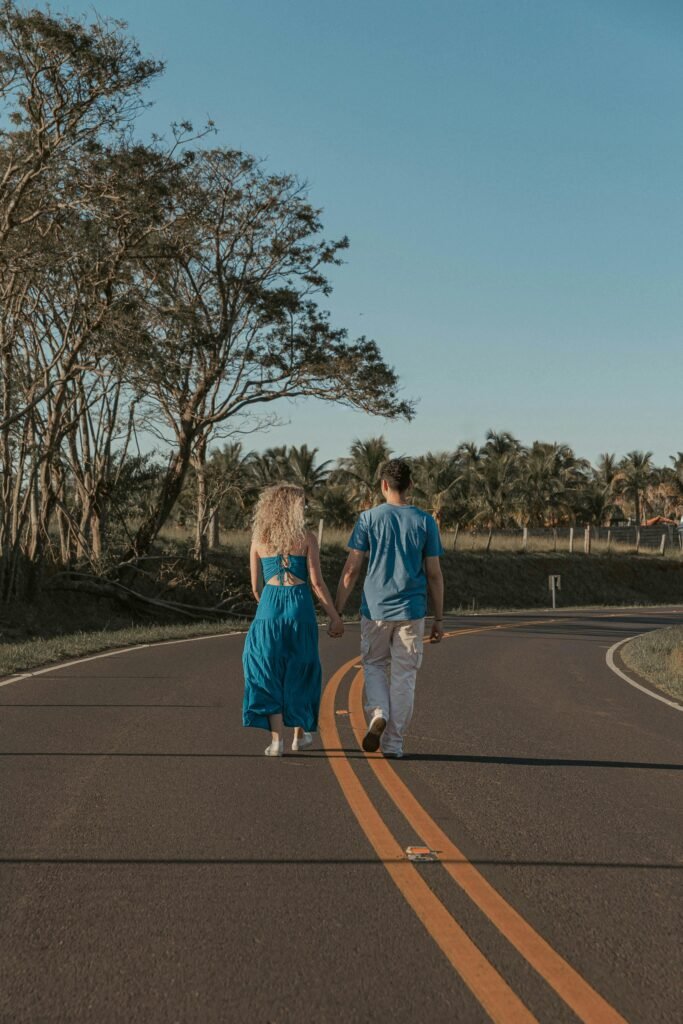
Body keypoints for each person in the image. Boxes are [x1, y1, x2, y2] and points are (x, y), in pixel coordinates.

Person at [335, 459, 444, 759]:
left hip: (376, 610)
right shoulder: (425, 522)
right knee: (404, 675)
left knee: (373, 665)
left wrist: (337, 610)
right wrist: (439, 618)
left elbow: (352, 569)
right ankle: (394, 744)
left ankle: (378, 713)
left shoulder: (368, 519)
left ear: (383, 485)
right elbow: (434, 573)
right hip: (412, 611)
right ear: (410, 485)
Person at [242, 483, 344, 756]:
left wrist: (269, 606)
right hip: (300, 608)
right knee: (302, 668)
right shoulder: (307, 537)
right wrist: (335, 618)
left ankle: (277, 742)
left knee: (266, 670)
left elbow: (255, 587)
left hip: (269, 608)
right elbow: (317, 584)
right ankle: (300, 736)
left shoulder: (258, 539)